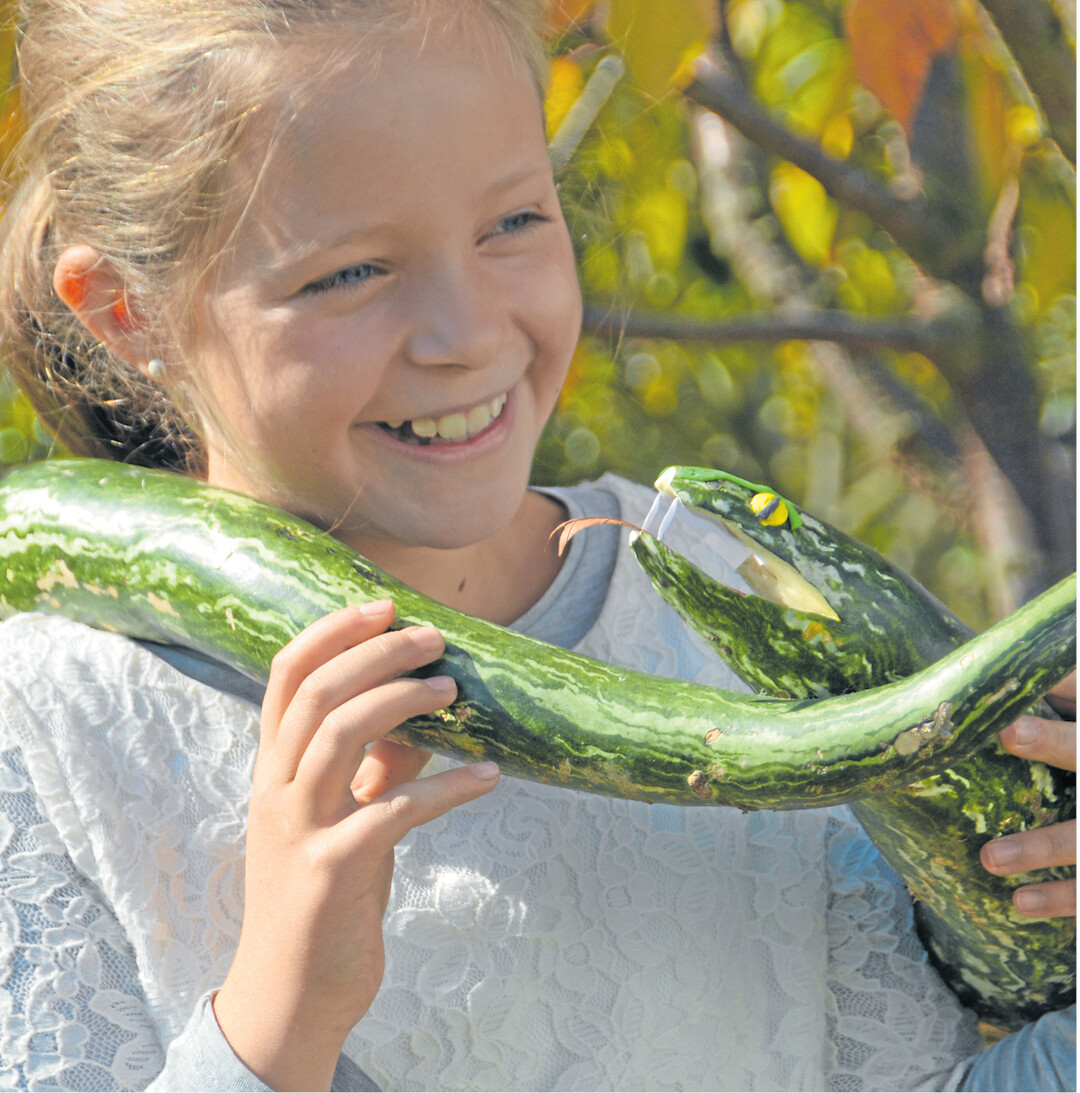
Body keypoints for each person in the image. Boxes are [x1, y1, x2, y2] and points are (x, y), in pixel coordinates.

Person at [0, 1, 1074, 1089]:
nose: (466, 336)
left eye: (513, 222)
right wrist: (274, 1028)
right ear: (127, 313)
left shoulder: (741, 599)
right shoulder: (51, 734)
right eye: (346, 275)